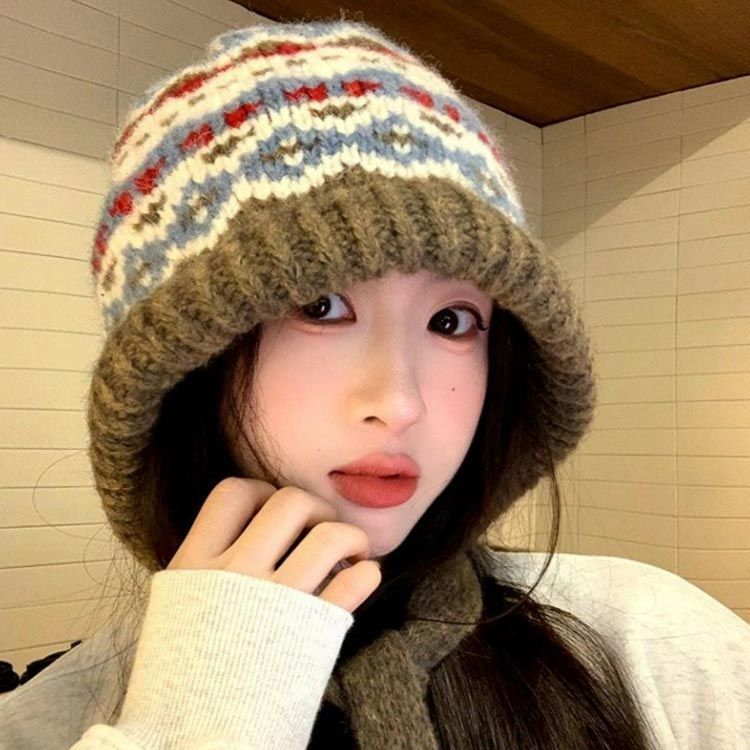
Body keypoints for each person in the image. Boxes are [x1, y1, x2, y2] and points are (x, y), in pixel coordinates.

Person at [1, 16, 749, 750]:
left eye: (452, 322)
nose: (399, 404)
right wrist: (196, 722)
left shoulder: (651, 646)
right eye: (319, 307)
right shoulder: (49, 722)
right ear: (186, 363)